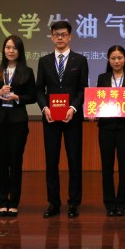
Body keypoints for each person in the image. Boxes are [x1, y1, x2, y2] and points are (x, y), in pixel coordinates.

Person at [36, 20, 89, 219]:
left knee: (74, 161)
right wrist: (45, 108)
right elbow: (39, 89)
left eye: (63, 34)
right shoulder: (44, 61)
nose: (60, 38)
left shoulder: (80, 60)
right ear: (52, 37)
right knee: (51, 162)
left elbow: (83, 89)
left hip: (72, 118)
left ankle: (74, 203)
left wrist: (73, 108)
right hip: (51, 118)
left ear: (70, 37)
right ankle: (53, 203)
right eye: (56, 34)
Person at [0, 35, 36, 218]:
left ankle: (13, 202)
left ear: (20, 51)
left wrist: (18, 98)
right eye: (8, 47)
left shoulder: (27, 71)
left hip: (18, 122)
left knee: (15, 162)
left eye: (14, 48)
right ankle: (2, 202)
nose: (11, 51)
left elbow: (33, 96)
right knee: (1, 162)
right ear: (4, 50)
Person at [95, 45, 125, 217]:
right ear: (108, 60)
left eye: (119, 58)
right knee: (106, 166)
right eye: (113, 58)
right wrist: (93, 112)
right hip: (106, 127)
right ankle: (109, 204)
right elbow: (97, 101)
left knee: (124, 166)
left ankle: (122, 204)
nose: (116, 61)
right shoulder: (102, 78)